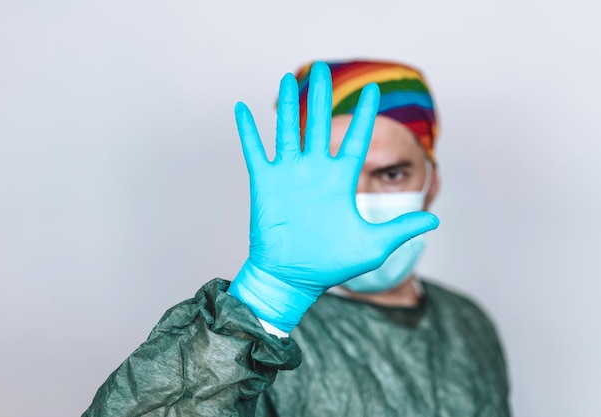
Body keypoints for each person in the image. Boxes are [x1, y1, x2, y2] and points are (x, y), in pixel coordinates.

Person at [82, 60, 510, 416]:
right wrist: (269, 296)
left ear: (432, 182)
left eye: (391, 173)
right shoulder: (268, 338)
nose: (359, 202)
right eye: (337, 180)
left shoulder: (467, 322)